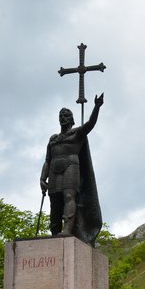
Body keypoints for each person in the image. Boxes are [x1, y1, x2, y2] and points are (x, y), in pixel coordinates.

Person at [39, 93, 104, 245]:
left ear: (72, 119)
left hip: (71, 167)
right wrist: (42, 178)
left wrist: (97, 107)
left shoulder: (77, 134)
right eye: (61, 115)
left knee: (69, 197)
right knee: (54, 200)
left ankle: (67, 230)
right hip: (54, 170)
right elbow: (47, 160)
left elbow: (90, 124)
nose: (63, 117)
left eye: (66, 115)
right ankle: (55, 231)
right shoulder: (53, 139)